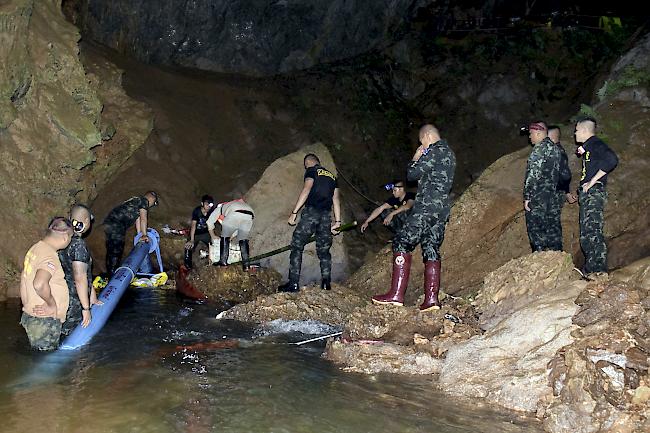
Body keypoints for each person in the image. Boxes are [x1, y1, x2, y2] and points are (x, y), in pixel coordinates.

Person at [372, 124, 455, 311]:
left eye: (422, 142)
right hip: (441, 210)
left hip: (427, 206)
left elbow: (412, 174)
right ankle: (431, 300)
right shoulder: (449, 153)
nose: (422, 145)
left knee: (402, 241)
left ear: (427, 136)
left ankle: (395, 295)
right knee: (431, 248)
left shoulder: (434, 151)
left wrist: (416, 157)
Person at [278, 153, 341, 292]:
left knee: (297, 246)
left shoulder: (312, 171)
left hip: (311, 213)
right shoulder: (332, 177)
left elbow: (306, 190)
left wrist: (294, 213)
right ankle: (326, 283)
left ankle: (293, 284)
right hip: (326, 217)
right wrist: (337, 221)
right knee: (324, 251)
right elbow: (336, 200)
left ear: (308, 163)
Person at [19, 217, 73, 350]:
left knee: (38, 357)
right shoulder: (49, 255)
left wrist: (27, 305)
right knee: (46, 363)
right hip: (44, 320)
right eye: (71, 237)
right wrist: (51, 304)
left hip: (32, 316)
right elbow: (39, 283)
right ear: (65, 237)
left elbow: (24, 279)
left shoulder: (35, 249)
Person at [574, 117, 618, 274]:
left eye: (577, 130)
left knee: (592, 231)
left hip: (594, 192)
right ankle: (591, 269)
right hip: (588, 194)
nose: (574, 133)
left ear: (585, 130)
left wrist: (592, 181)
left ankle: (598, 271)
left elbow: (611, 159)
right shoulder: (589, 146)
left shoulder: (595, 143)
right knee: (586, 234)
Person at [60, 205, 103, 336]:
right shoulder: (78, 246)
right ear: (86, 222)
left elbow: (82, 274)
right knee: (72, 336)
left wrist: (93, 296)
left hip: (61, 298)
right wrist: (85, 308)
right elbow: (79, 278)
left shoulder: (62, 240)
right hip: (74, 304)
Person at [523, 121, 561, 252]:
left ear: (538, 133)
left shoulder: (539, 149)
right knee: (553, 228)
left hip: (539, 196)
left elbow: (533, 175)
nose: (529, 137)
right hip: (553, 196)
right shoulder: (555, 148)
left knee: (537, 230)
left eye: (530, 134)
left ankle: (540, 259)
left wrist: (528, 197)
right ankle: (557, 257)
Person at [103, 191, 158, 276]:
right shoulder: (144, 201)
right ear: (152, 198)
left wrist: (140, 234)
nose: (152, 205)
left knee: (112, 249)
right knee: (116, 250)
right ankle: (112, 276)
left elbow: (138, 220)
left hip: (111, 222)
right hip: (116, 224)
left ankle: (110, 274)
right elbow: (143, 219)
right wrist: (144, 235)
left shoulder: (137, 201)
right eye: (153, 203)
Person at [547, 126, 577, 251]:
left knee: (552, 222)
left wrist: (566, 192)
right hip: (553, 191)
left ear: (553, 137)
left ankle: (555, 251)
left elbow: (565, 175)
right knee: (549, 221)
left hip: (556, 192)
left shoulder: (557, 152)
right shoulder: (552, 151)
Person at [207, 198, 255, 270]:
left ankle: (223, 262)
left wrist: (213, 235)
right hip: (250, 214)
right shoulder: (232, 204)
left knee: (224, 236)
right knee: (243, 239)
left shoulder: (219, 209)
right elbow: (237, 229)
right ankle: (246, 265)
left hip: (235, 212)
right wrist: (231, 237)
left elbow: (209, 222)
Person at [184, 195, 215, 269]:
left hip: (206, 233)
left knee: (214, 246)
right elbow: (193, 225)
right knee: (188, 248)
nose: (208, 207)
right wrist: (191, 239)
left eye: (210, 204)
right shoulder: (197, 211)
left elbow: (211, 225)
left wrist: (213, 236)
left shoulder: (212, 211)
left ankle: (213, 262)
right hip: (196, 234)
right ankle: (188, 267)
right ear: (202, 204)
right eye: (207, 204)